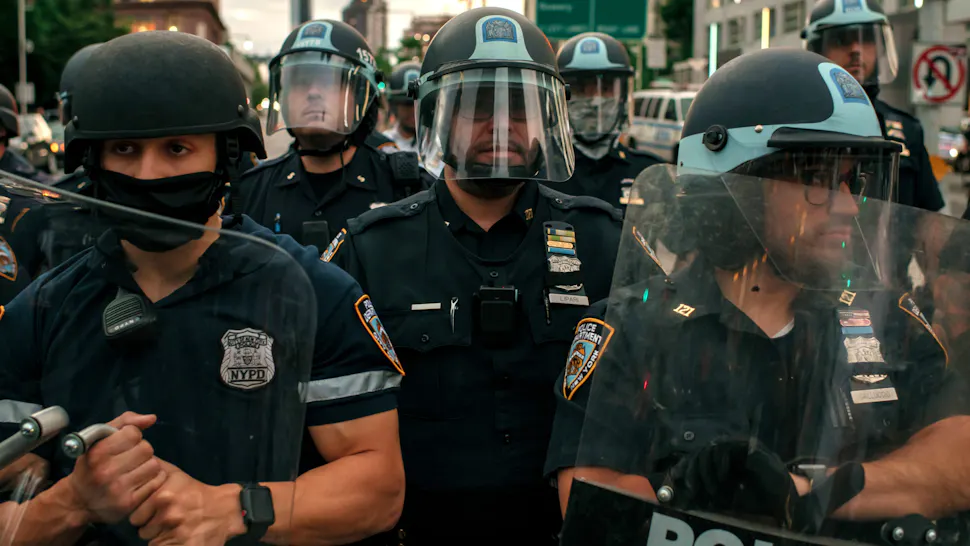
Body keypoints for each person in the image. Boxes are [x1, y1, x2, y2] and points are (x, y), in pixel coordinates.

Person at [545, 47, 970, 545]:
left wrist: (805, 492)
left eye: (853, 179)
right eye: (817, 178)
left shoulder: (888, 322)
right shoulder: (632, 330)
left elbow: (960, 455)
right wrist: (704, 506)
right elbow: (589, 494)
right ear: (729, 190)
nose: (848, 204)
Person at [0, 31, 405, 545]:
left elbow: (378, 488)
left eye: (177, 148)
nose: (149, 174)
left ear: (227, 154)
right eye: (125, 149)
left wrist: (233, 509)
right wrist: (73, 502)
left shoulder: (314, 293)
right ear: (93, 160)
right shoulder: (39, 311)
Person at [324, 8, 622, 544]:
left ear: (548, 120)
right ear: (437, 115)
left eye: (521, 108)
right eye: (479, 107)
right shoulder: (373, 248)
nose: (502, 125)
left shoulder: (601, 241)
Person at [238, 19, 430, 250]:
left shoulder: (407, 187)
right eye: (300, 82)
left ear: (362, 97)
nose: (313, 93)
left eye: (329, 82)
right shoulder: (251, 191)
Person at [548, 33, 664, 211]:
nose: (594, 102)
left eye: (606, 88)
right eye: (581, 88)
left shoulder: (649, 175)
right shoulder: (543, 173)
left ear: (623, 98)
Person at [382, 61, 421, 154]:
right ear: (393, 106)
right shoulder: (383, 145)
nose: (414, 110)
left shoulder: (439, 146)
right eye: (408, 104)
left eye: (419, 104)